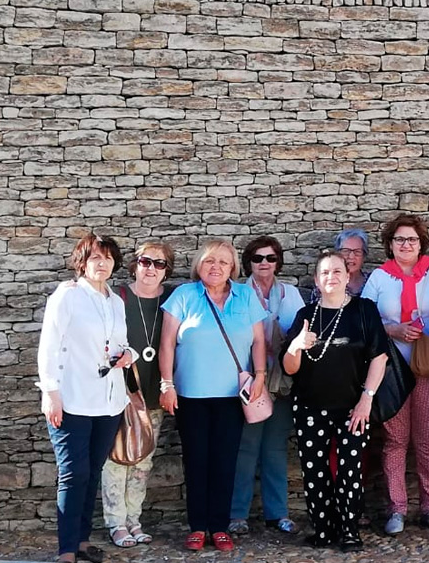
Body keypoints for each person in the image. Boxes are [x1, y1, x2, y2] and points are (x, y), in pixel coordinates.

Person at [160, 239, 270, 552]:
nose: (216, 267)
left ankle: (219, 527)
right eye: (210, 261)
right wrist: (166, 384)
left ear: (233, 268)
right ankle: (197, 526)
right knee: (196, 461)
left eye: (223, 262)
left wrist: (260, 375)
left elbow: (259, 341)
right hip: (191, 396)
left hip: (231, 396)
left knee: (225, 461)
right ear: (199, 265)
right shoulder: (184, 295)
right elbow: (167, 343)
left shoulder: (246, 296)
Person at [282, 250, 390, 551]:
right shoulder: (306, 316)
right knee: (314, 472)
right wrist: (296, 346)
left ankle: (349, 530)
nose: (331, 277)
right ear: (317, 280)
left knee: (350, 471)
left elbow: (379, 358)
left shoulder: (364, 311)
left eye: (337, 271)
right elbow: (289, 368)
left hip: (352, 407)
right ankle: (323, 529)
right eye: (325, 273)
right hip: (309, 407)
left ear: (347, 277)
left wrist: (366, 400)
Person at [38, 233, 135, 563]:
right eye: (96, 257)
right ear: (82, 261)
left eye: (108, 258)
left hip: (109, 403)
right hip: (72, 399)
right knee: (73, 473)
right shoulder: (67, 296)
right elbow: (48, 347)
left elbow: (121, 344)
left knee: (92, 472)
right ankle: (66, 550)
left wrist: (129, 355)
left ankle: (81, 541)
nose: (103, 263)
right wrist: (51, 393)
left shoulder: (115, 300)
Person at [361, 214, 429, 534]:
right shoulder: (379, 277)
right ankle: (397, 509)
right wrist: (393, 329)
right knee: (394, 441)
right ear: (390, 244)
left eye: (412, 239)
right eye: (400, 239)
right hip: (391, 372)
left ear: (421, 243)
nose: (406, 245)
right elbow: (364, 321)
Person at [228, 237, 303, 537]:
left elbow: (301, 330)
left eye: (270, 258)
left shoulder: (291, 294)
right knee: (245, 449)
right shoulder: (238, 294)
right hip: (249, 382)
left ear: (278, 262)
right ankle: (237, 514)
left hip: (281, 382)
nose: (264, 263)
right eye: (258, 258)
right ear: (248, 262)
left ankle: (278, 513)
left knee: (274, 449)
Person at [102, 240, 174, 549]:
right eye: (146, 261)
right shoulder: (116, 296)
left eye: (159, 264)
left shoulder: (172, 299)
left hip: (153, 395)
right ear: (135, 264)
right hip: (117, 393)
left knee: (143, 462)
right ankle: (116, 523)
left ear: (166, 271)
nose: (151, 269)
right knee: (116, 460)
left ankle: (135, 520)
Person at [335, 228, 371, 296]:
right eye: (346, 251)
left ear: (364, 256)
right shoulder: (329, 283)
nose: (351, 256)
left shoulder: (373, 281)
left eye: (357, 251)